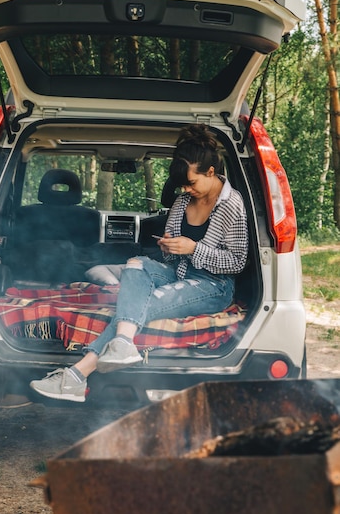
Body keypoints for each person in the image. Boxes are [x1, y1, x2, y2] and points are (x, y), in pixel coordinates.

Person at [30, 123, 249, 402]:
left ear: (210, 172)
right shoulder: (182, 203)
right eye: (181, 184)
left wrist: (193, 248)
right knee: (136, 263)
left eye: (191, 183)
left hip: (214, 285)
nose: (185, 189)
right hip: (179, 273)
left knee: (142, 304)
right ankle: (122, 345)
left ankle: (76, 375)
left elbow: (237, 262)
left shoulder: (232, 205)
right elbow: (172, 258)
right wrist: (169, 247)